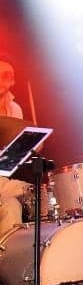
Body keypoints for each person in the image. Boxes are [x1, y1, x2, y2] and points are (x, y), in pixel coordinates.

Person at [0, 55, 27, 236]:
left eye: (11, 76)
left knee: (36, 192)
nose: (9, 80)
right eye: (4, 75)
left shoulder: (15, 108)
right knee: (11, 205)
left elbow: (13, 154)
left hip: (2, 176)